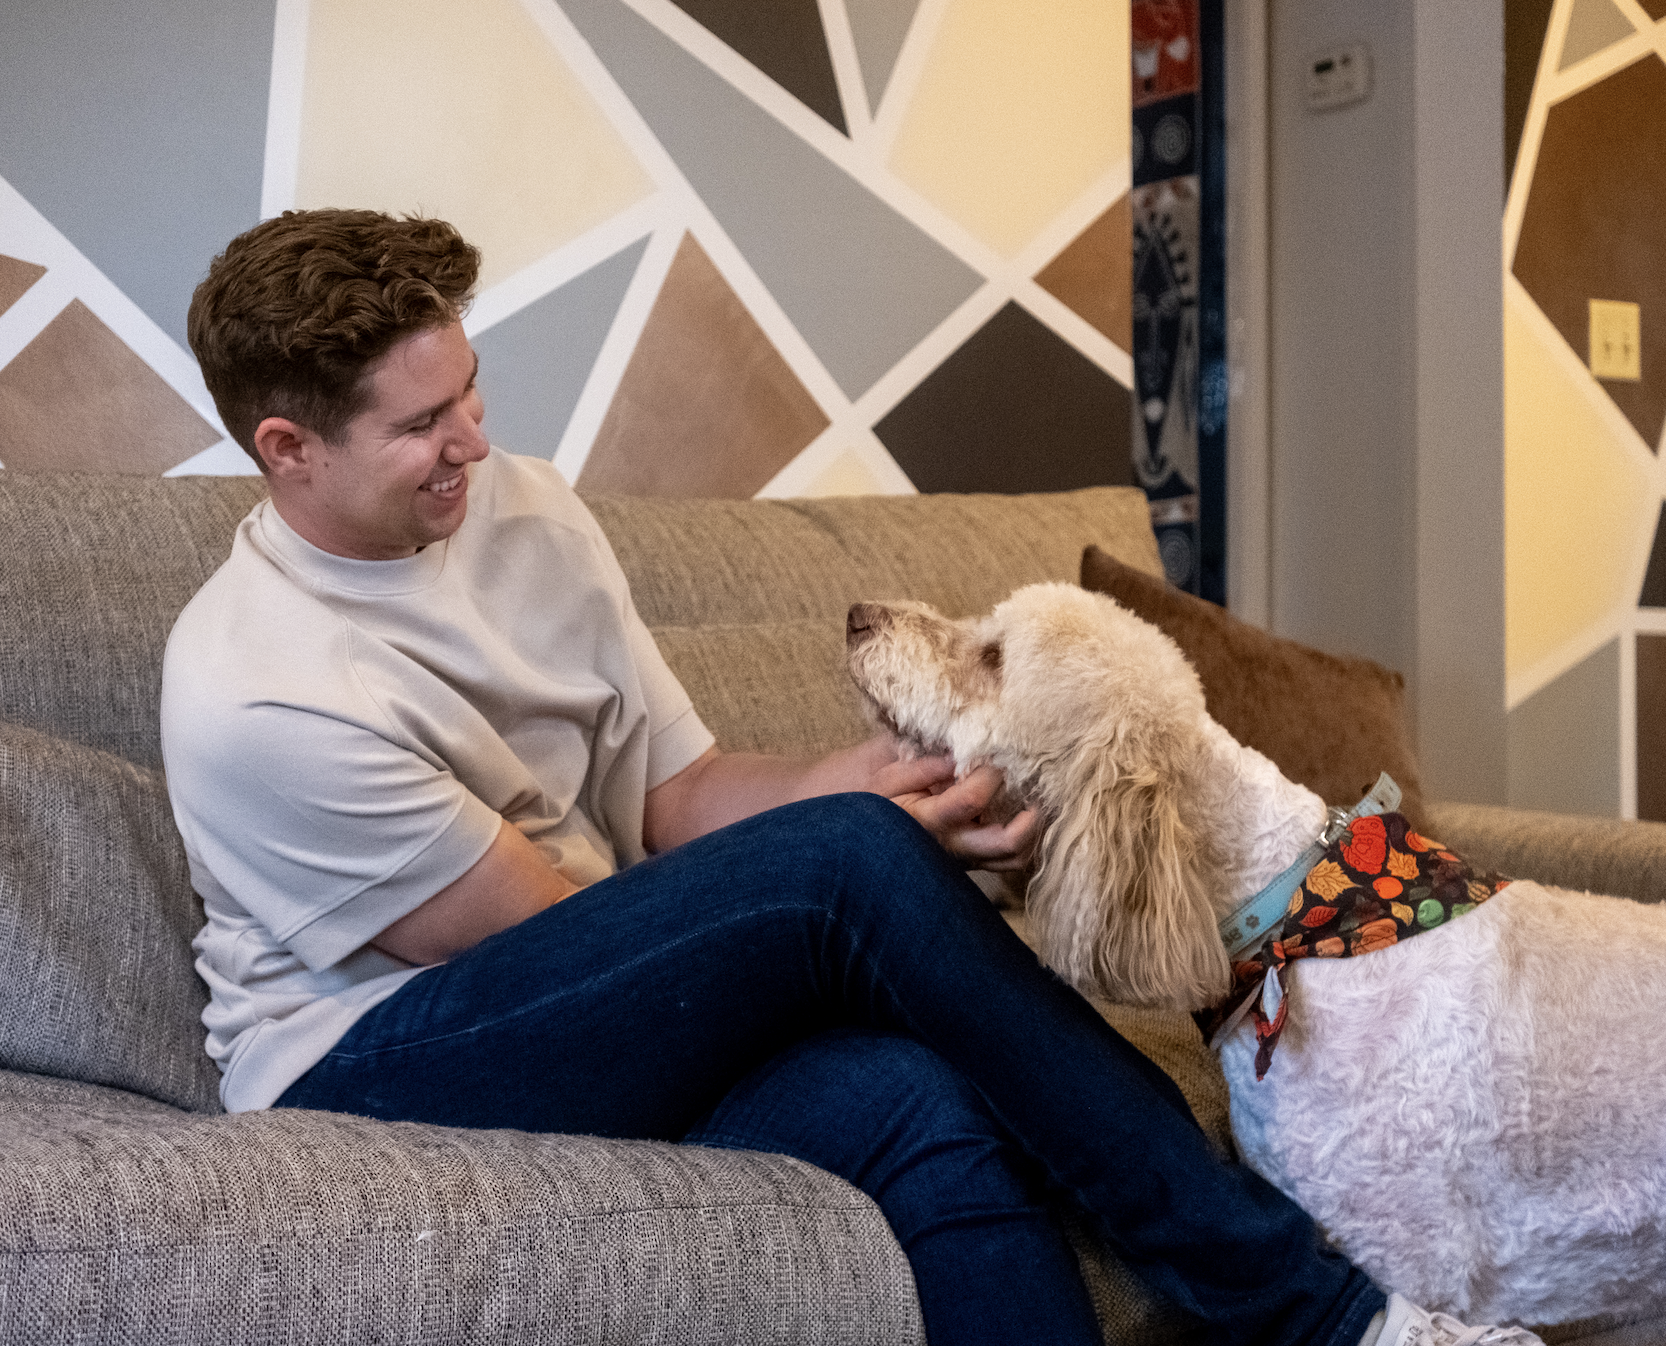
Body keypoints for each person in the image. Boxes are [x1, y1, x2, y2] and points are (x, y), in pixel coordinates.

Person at [162, 208, 1539, 1346]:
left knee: (915, 1099)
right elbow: (549, 938)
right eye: (420, 423)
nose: (471, 438)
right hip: (380, 1055)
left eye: (468, 390)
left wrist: (891, 779)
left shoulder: (524, 512)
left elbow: (677, 797)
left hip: (577, 985)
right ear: (288, 448)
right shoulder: (262, 688)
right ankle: (1319, 1313)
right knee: (845, 863)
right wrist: (853, 843)